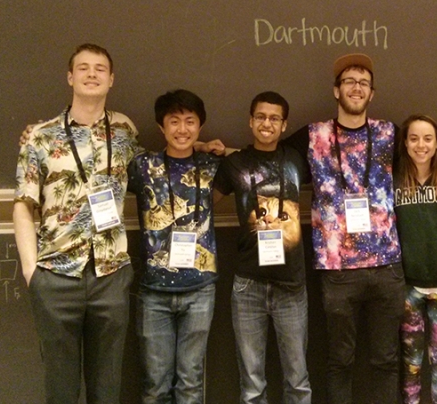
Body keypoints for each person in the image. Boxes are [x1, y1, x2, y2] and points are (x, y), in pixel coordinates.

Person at [13, 43, 138, 403]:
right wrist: (30, 271)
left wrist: (206, 147)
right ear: (70, 77)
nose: (92, 74)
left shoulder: (125, 130)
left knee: (107, 386)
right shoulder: (41, 136)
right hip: (55, 275)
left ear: (111, 79)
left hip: (111, 275)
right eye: (83, 68)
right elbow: (23, 205)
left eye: (100, 68)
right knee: (61, 387)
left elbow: (153, 167)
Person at [282, 53, 404, 404]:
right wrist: (217, 150)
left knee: (385, 360)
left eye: (363, 83)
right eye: (349, 81)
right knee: (340, 361)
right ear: (336, 91)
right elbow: (267, 155)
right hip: (337, 271)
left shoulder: (389, 133)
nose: (356, 88)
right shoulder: (313, 135)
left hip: (387, 266)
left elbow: (430, 164)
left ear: (372, 93)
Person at [213, 91, 311, 404]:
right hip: (248, 285)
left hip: (291, 286)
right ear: (250, 121)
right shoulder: (234, 164)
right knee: (252, 384)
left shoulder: (297, 158)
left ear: (284, 125)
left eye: (274, 118)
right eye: (260, 117)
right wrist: (205, 146)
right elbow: (206, 202)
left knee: (298, 379)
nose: (266, 123)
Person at [127, 89, 222, 404]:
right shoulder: (142, 166)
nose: (182, 129)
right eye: (174, 121)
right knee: (155, 386)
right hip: (154, 292)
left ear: (200, 125)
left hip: (200, 289)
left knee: (191, 384)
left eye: (190, 122)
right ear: (161, 127)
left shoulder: (211, 165)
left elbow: (252, 156)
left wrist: (210, 147)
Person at [393, 115, 437, 404]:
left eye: (428, 138)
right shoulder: (392, 178)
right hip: (409, 287)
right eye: (414, 138)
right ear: (405, 143)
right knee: (411, 362)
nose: (421, 145)